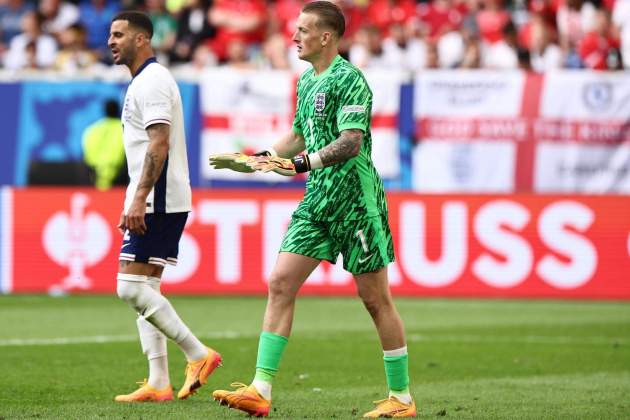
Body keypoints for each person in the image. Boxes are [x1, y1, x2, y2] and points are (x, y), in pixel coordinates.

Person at [210, 2, 415, 417]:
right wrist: (254, 160)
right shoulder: (306, 81)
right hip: (317, 200)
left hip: (357, 203)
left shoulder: (350, 79)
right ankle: (260, 388)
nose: (293, 36)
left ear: (326, 37)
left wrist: (300, 165)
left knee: (375, 299)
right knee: (281, 282)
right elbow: (299, 136)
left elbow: (350, 142)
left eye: (302, 30)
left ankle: (402, 398)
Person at [108, 11, 221, 402]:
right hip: (155, 195)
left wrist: (140, 197)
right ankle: (158, 381)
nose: (112, 41)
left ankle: (198, 353)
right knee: (147, 286)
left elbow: (160, 143)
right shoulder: (143, 82)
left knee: (130, 287)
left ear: (142, 39)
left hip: (158, 198)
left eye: (119, 34)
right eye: (111, 34)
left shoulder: (152, 82)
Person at [82, 98, 126, 190]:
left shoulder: (92, 129)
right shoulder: (124, 129)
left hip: (95, 175)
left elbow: (86, 152)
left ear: (104, 110)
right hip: (118, 176)